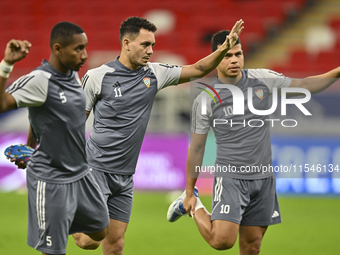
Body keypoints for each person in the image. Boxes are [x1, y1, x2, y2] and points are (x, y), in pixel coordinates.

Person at [75, 17, 244, 255]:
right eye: (145, 44)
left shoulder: (154, 74)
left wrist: (224, 48)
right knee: (90, 241)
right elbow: (75, 123)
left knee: (115, 244)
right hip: (95, 169)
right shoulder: (97, 76)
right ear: (126, 43)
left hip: (124, 176)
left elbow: (199, 69)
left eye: (152, 44)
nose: (150, 51)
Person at [167, 29, 340, 254]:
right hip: (231, 178)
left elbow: (305, 87)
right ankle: (191, 205)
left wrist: (337, 71)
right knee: (222, 241)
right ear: (217, 57)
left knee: (252, 247)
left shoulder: (262, 79)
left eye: (238, 54)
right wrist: (190, 191)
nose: (234, 60)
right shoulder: (206, 98)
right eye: (227, 56)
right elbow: (197, 146)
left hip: (263, 178)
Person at [0, 21, 110, 255]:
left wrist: (30, 145)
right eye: (78, 48)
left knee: (100, 231)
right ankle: (54, 222)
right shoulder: (40, 79)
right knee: (54, 251)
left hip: (80, 173)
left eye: (85, 47)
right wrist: (7, 64)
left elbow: (41, 112)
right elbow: (2, 104)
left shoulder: (73, 76)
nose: (85, 54)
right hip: (51, 180)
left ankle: (61, 222)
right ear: (58, 49)